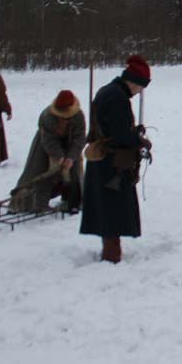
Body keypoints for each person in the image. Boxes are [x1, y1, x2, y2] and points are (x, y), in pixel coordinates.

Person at [80, 55, 152, 263]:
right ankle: (112, 256)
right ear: (133, 81)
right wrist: (139, 140)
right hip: (111, 163)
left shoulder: (109, 91)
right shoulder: (117, 98)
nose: (140, 91)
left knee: (108, 207)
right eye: (141, 86)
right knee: (112, 208)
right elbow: (120, 135)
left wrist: (134, 133)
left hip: (106, 159)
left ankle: (110, 251)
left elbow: (113, 127)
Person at [10, 89, 86, 213]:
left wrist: (71, 157)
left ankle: (72, 201)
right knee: (37, 170)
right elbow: (49, 140)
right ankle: (28, 203)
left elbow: (79, 138)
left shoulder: (78, 116)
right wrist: (59, 156)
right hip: (45, 144)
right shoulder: (47, 116)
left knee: (74, 171)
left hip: (71, 144)